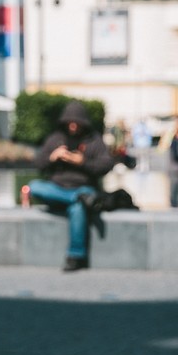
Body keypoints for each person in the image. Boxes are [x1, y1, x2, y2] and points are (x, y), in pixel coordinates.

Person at [28, 101, 115, 272]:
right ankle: (79, 200)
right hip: (58, 188)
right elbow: (38, 163)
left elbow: (106, 165)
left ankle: (75, 257)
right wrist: (52, 157)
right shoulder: (55, 139)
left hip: (83, 187)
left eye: (77, 122)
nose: (74, 126)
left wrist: (82, 162)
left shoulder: (94, 140)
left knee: (77, 209)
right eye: (70, 122)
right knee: (35, 186)